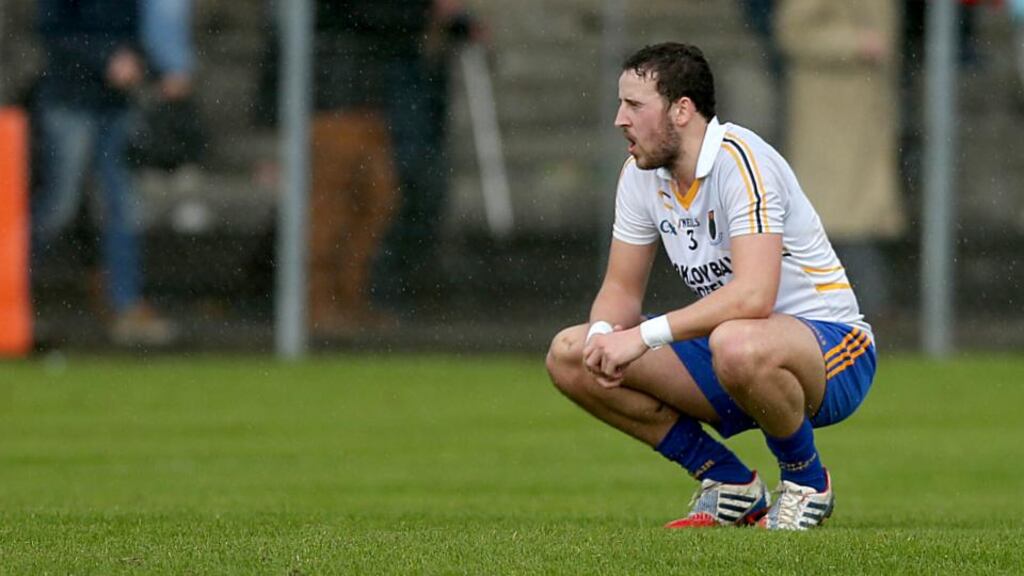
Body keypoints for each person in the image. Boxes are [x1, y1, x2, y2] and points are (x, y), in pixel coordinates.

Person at [545, 43, 876, 531]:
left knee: (736, 340)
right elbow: (619, 290)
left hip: (833, 348)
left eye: (635, 105)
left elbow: (753, 297)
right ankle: (728, 483)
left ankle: (807, 484)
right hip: (736, 352)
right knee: (571, 355)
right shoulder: (640, 174)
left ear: (682, 110)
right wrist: (602, 333)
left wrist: (641, 336)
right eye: (621, 104)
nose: (620, 119)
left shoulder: (741, 162)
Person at [33, 0, 177, 346]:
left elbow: (133, 36)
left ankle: (126, 307)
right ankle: (14, 296)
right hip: (69, 103)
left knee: (124, 208)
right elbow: (53, 33)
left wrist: (153, 69)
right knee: (58, 207)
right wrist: (106, 59)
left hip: (113, 106)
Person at [776, 0, 904, 318]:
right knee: (837, 216)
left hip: (863, 109)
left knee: (856, 215)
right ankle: (849, 312)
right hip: (833, 112)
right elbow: (793, 31)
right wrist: (856, 44)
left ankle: (858, 312)